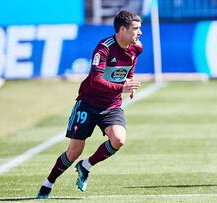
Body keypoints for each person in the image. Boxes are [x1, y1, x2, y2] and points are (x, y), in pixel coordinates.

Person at [37, 10, 143, 198]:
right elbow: (96, 81)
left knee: (119, 140)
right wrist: (121, 87)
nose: (140, 32)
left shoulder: (137, 48)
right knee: (74, 151)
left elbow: (130, 68)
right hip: (88, 103)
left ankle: (86, 166)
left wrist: (131, 83)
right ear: (121, 30)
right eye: (135, 29)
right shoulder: (104, 48)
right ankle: (48, 184)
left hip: (111, 106)